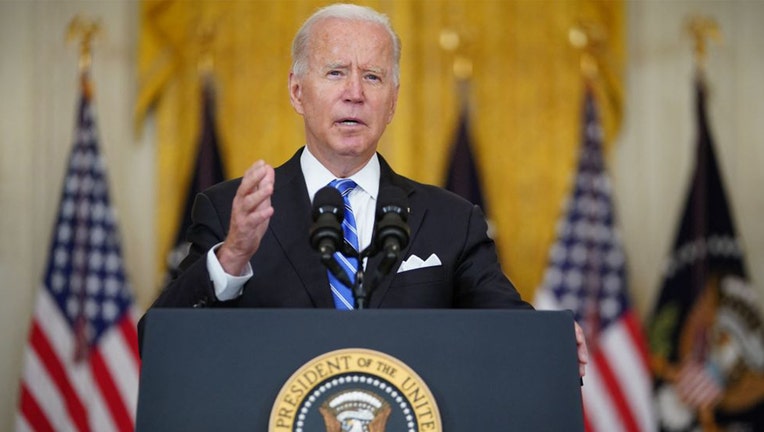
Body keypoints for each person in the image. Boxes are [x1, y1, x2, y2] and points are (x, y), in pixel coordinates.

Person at [139, 3, 587, 376]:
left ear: (392, 101)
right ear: (297, 92)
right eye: (335, 73)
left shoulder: (451, 220)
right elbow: (158, 341)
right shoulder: (228, 213)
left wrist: (549, 340)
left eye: (372, 77)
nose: (355, 92)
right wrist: (232, 257)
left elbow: (507, 324)